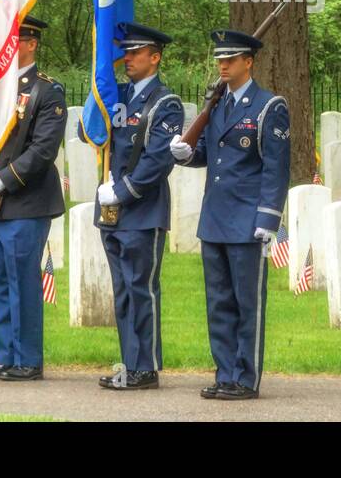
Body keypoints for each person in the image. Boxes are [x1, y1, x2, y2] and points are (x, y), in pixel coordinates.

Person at [169, 28, 290, 401]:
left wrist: (268, 219)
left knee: (246, 303)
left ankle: (245, 378)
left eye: (231, 59)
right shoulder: (218, 105)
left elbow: (275, 169)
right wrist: (187, 155)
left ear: (248, 62)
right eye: (220, 59)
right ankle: (225, 373)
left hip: (248, 221)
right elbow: (210, 153)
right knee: (219, 301)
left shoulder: (270, 107)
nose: (223, 64)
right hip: (216, 218)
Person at [0, 16, 67, 382]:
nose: (7, 48)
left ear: (31, 44)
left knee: (22, 280)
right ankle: (6, 356)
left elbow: (43, 150)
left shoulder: (47, 91)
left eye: (15, 41)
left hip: (26, 201)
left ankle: (28, 359)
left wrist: (4, 180)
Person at [93, 22, 184, 391]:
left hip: (142, 211)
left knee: (141, 288)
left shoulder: (166, 103)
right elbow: (98, 136)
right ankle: (129, 364)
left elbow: (158, 160)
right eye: (125, 52)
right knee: (122, 291)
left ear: (155, 57)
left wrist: (123, 192)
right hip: (112, 213)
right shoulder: (114, 97)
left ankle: (145, 366)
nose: (126, 58)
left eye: (135, 52)